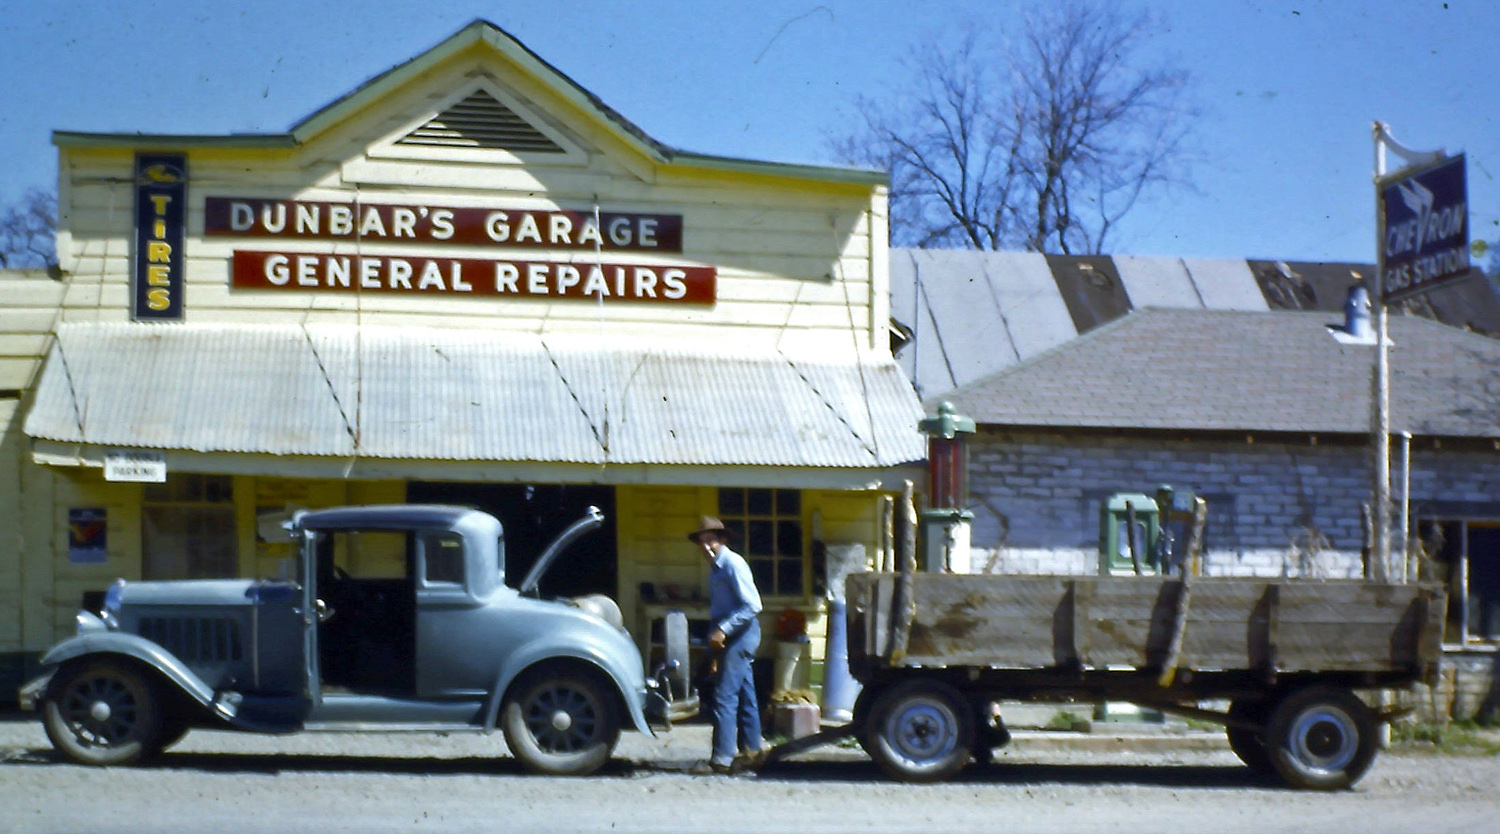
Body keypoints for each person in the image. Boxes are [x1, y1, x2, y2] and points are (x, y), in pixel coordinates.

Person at [688, 515, 766, 773]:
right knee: (746, 694)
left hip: (742, 634)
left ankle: (721, 760)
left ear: (722, 540)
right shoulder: (715, 568)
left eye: (711, 541)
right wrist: (713, 651)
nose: (707, 547)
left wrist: (723, 629)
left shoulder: (733, 564)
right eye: (702, 542)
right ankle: (753, 752)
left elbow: (753, 605)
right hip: (729, 636)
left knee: (724, 695)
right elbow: (718, 611)